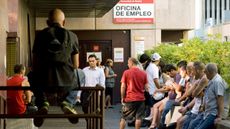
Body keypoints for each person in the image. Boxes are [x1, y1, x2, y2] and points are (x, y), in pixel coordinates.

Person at [32, 9, 79, 127]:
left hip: (44, 82)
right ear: (64, 22)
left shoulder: (40, 35)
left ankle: (43, 103)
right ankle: (68, 102)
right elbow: (76, 65)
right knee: (81, 73)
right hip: (67, 82)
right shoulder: (72, 36)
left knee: (31, 74)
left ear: (48, 22)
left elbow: (35, 63)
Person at [186, 63, 228, 129]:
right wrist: (203, 106)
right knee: (193, 124)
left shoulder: (217, 82)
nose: (204, 74)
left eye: (205, 72)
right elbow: (207, 96)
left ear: (209, 72)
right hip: (207, 112)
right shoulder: (212, 80)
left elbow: (220, 99)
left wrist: (219, 116)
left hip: (213, 113)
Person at [119, 57, 149, 129]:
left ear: (132, 63)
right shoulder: (144, 73)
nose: (127, 64)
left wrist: (122, 97)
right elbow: (147, 88)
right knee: (138, 118)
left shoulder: (126, 72)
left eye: (128, 63)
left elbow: (123, 86)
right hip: (141, 99)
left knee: (124, 117)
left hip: (130, 98)